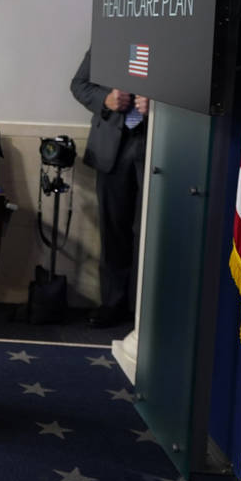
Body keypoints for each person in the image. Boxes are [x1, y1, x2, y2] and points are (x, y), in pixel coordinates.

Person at [69, 48, 148, 328]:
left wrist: (161, 108)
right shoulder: (109, 38)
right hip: (113, 146)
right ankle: (113, 303)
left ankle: (145, 308)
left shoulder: (173, 38)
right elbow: (79, 85)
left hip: (156, 143)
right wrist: (105, 99)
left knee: (150, 234)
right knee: (114, 230)